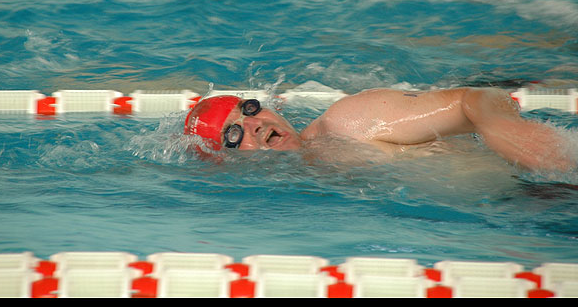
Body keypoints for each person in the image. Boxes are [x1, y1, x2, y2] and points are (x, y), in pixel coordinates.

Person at [184, 87, 576, 172]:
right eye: (233, 135)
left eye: (249, 110)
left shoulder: (349, 122)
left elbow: (474, 100)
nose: (253, 125)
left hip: (542, 178)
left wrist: (500, 127)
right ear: (225, 160)